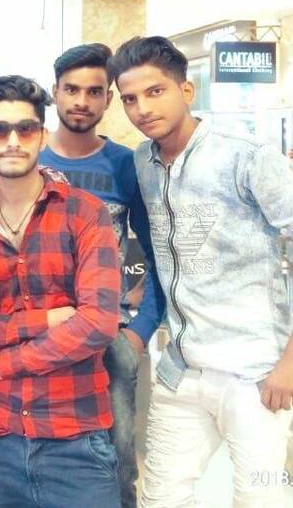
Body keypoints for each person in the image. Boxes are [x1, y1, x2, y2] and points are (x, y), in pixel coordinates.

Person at [110, 36, 293, 507]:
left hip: (255, 372)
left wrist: (290, 363)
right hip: (182, 369)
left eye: (155, 91)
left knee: (261, 498)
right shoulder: (143, 161)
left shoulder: (246, 156)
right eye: (130, 98)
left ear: (186, 91)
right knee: (160, 498)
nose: (142, 108)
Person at [0, 75, 121, 508]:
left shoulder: (84, 212)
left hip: (76, 439)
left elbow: (98, 324)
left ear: (41, 136)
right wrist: (46, 320)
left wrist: (5, 362)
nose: (13, 141)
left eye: (25, 129)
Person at [39, 42, 166, 508]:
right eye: (71, 89)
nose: (81, 101)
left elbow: (157, 253)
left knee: (117, 466)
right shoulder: (30, 160)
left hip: (109, 339)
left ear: (108, 99)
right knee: (44, 462)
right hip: (39, 334)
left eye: (94, 91)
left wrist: (139, 333)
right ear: (55, 92)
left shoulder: (126, 164)